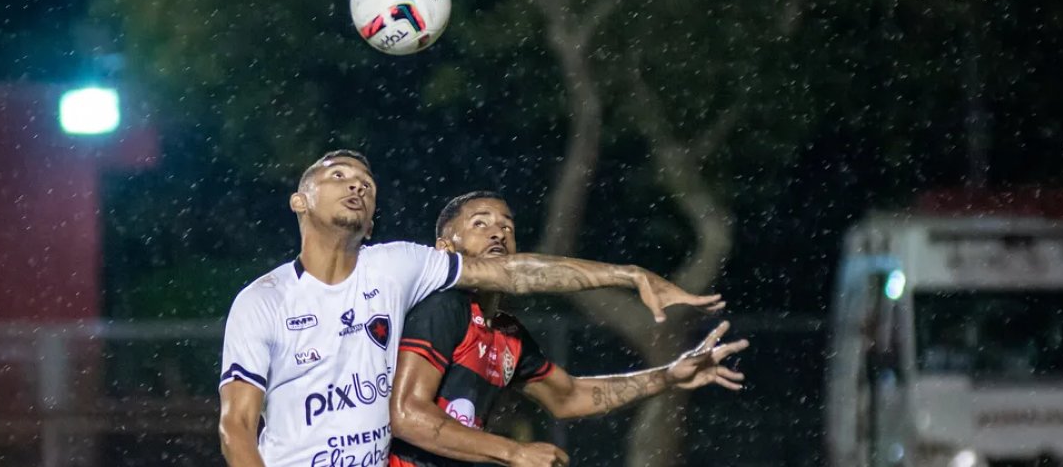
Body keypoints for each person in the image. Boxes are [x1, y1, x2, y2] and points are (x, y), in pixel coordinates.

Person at [218, 151, 726, 467]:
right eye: (337, 175)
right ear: (299, 203)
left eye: (366, 184)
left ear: (373, 220)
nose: (355, 184)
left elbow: (518, 280)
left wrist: (632, 278)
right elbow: (237, 426)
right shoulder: (263, 301)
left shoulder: (395, 268)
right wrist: (513, 453)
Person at [388, 191, 749, 467]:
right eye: (480, 223)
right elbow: (405, 415)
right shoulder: (443, 307)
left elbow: (568, 396)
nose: (498, 232)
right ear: (443, 248)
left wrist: (669, 376)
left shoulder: (506, 332)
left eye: (507, 226)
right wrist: (515, 452)